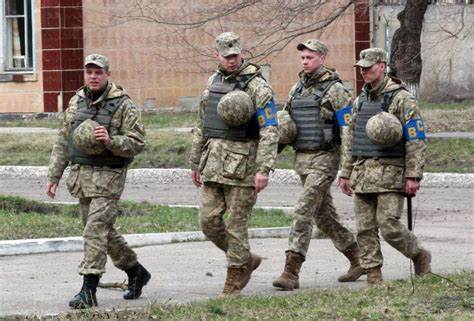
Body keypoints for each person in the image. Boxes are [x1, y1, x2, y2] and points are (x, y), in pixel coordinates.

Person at [45, 54, 151, 308]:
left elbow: (137, 143)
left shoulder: (124, 105)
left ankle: (88, 290)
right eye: (89, 72)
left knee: (94, 231)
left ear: (107, 75)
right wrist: (54, 175)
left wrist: (110, 140)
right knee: (102, 231)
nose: (93, 77)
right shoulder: (76, 101)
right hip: (82, 176)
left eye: (98, 72)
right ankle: (136, 272)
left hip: (109, 177)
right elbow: (63, 140)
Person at [189, 32, 279, 296]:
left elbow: (270, 129)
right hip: (213, 163)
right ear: (217, 55)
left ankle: (234, 280)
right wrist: (195, 162)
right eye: (227, 56)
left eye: (235, 55)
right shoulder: (213, 81)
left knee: (236, 227)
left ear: (241, 53)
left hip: (243, 167)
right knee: (208, 222)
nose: (232, 60)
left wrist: (264, 169)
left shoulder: (257, 86)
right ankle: (246, 259)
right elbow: (201, 124)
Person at [273, 39, 364, 291]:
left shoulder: (336, 90)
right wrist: (267, 160)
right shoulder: (297, 90)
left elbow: (348, 131)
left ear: (322, 58)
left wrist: (346, 170)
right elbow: (285, 127)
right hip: (302, 159)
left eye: (310, 57)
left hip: (326, 159)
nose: (305, 61)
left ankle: (291, 271)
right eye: (302, 57)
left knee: (303, 210)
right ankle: (359, 259)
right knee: (324, 218)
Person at [337, 48, 432, 285]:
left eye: (368, 67)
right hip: (362, 173)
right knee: (365, 229)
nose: (364, 72)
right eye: (361, 68)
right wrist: (345, 172)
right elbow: (349, 137)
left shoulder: (402, 99)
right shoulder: (358, 101)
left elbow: (416, 138)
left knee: (389, 226)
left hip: (391, 172)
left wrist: (414, 175)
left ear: (382, 65)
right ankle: (373, 273)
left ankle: (419, 254)